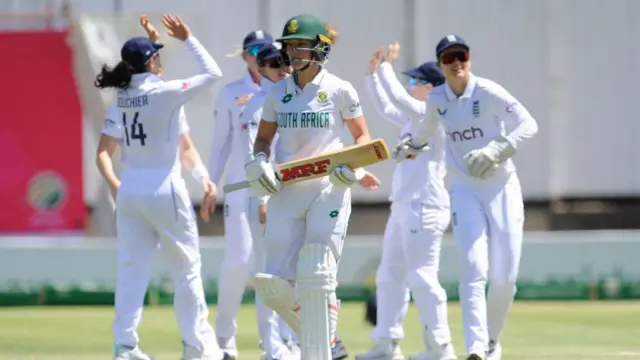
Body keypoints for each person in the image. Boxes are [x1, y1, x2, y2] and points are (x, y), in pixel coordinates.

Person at [393, 35, 539, 360]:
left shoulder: (487, 91)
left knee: (504, 279)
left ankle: (491, 341)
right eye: (449, 59)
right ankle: (475, 349)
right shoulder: (438, 99)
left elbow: (528, 124)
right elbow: (424, 131)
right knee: (473, 268)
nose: (457, 63)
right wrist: (409, 147)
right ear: (441, 65)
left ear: (469, 58)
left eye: (462, 56)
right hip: (464, 189)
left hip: (501, 187)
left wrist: (497, 149)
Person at [245, 14, 381, 360]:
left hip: (328, 187)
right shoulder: (277, 93)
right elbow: (263, 139)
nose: (293, 52)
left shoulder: (340, 89)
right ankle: (326, 341)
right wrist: (259, 161)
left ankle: (319, 349)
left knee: (317, 269)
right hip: (286, 189)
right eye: (289, 45)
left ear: (320, 49)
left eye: (300, 45)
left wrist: (353, 167)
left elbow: (362, 136)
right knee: (273, 284)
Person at [94, 14, 223, 360]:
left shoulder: (121, 97)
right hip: (165, 188)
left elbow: (105, 154)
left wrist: (117, 186)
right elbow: (214, 73)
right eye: (155, 57)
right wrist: (188, 38)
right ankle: (197, 346)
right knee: (187, 269)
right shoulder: (165, 94)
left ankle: (125, 347)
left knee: (131, 270)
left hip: (131, 191)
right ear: (151, 63)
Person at [357, 45, 456, 360]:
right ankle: (386, 345)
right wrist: (372, 76)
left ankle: (440, 349)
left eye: (416, 81)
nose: (411, 86)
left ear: (431, 87)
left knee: (423, 277)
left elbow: (399, 99)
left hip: (425, 206)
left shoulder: (436, 114)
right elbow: (387, 107)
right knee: (389, 276)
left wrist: (386, 67)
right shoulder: (414, 119)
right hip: (402, 205)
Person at [207, 30, 274, 359]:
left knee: (270, 268)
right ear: (245, 54)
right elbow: (220, 145)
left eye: (264, 49)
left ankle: (273, 343)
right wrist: (209, 184)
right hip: (239, 188)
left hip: (277, 190)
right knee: (238, 261)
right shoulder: (231, 93)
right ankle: (223, 340)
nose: (258, 56)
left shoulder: (284, 90)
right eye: (252, 50)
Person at [237, 41, 298, 360]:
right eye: (276, 64)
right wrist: (262, 198)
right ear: (260, 69)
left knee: (290, 275)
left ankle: (291, 339)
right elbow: (256, 156)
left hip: (290, 198)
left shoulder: (289, 98)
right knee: (269, 275)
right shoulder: (258, 104)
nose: (284, 68)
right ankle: (272, 346)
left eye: (286, 62)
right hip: (264, 199)